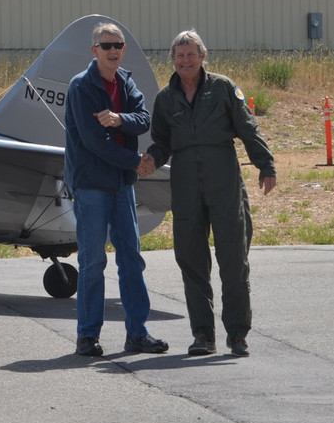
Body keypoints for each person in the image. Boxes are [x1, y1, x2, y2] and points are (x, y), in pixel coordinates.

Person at [139, 30, 276, 357]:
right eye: (179, 56)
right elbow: (161, 142)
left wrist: (265, 164)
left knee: (232, 258)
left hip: (223, 179)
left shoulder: (223, 87)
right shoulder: (165, 98)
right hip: (185, 183)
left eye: (191, 55)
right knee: (191, 259)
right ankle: (203, 336)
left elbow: (247, 127)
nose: (185, 61)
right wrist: (151, 160)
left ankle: (238, 335)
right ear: (173, 60)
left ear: (202, 57)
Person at [65, 22, 168, 357]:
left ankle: (137, 333)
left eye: (118, 45)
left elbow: (144, 118)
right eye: (106, 45)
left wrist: (119, 119)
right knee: (93, 261)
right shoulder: (81, 87)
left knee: (131, 260)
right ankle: (87, 336)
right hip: (92, 186)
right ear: (94, 51)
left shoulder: (126, 82)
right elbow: (94, 142)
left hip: (122, 186)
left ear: (123, 50)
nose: (113, 51)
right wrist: (136, 161)